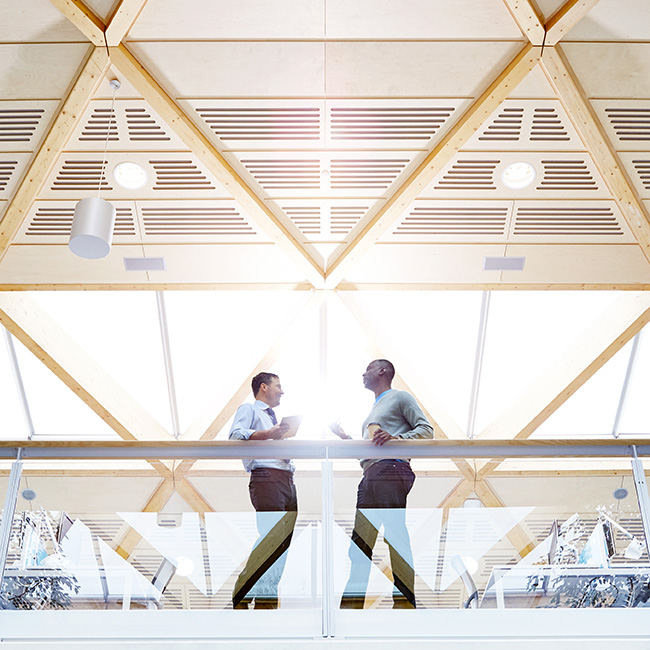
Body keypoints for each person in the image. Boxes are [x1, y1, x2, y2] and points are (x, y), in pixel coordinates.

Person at [332, 359, 434, 609]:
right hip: (370, 474)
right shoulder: (372, 411)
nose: (362, 373)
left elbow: (427, 431)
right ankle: (350, 609)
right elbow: (370, 450)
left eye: (367, 369)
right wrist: (346, 438)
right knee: (359, 546)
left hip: (391, 469)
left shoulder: (400, 398)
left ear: (382, 371)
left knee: (395, 536)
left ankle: (404, 604)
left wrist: (397, 438)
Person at [229, 372, 297, 609]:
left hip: (287, 481)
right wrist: (269, 434)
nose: (282, 391)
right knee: (271, 538)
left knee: (282, 544)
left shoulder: (274, 417)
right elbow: (236, 435)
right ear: (263, 387)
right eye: (278, 385)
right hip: (267, 478)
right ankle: (242, 593)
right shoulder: (249, 410)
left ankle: (265, 602)